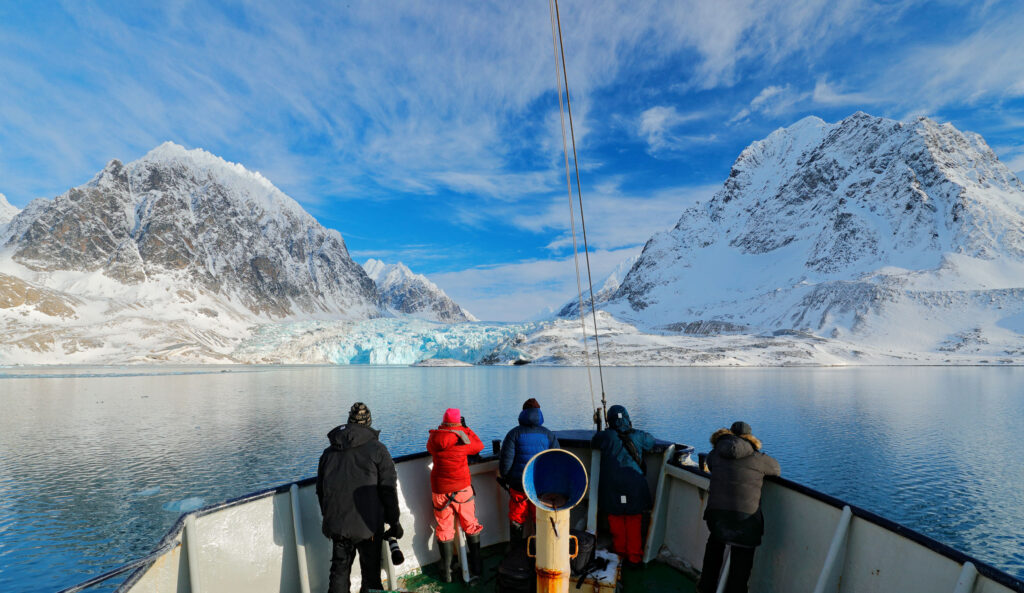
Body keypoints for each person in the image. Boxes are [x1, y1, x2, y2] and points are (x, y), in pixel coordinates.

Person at [316, 402, 402, 593]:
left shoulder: (328, 453)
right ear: (369, 423)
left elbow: (321, 491)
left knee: (339, 573)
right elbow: (388, 490)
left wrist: (328, 518)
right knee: (371, 576)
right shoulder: (378, 450)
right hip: (369, 526)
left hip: (338, 525)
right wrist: (394, 522)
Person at [697, 421, 781, 593]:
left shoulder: (715, 453)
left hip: (716, 516)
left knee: (714, 549)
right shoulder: (759, 459)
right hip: (746, 521)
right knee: (741, 564)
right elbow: (776, 469)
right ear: (750, 438)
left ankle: (705, 588)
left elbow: (710, 464)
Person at [591, 404, 655, 566]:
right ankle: (634, 557)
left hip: (613, 486)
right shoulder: (638, 436)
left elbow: (595, 441)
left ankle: (619, 554)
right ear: (627, 418)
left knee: (616, 518)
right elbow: (651, 442)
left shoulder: (606, 437)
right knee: (633, 519)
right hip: (635, 485)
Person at [427, 407, 485, 582]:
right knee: (470, 525)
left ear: (444, 421)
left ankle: (447, 573)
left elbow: (430, 448)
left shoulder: (434, 437)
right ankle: (476, 567)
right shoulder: (462, 438)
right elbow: (479, 446)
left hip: (440, 490)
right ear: (459, 421)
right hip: (462, 490)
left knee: (444, 528)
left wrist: (445, 429)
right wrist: (465, 429)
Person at [499, 397, 560, 547]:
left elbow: (506, 462)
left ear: (523, 413)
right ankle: (540, 552)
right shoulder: (548, 434)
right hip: (540, 486)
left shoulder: (514, 434)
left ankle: (515, 552)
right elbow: (557, 460)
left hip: (519, 485)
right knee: (539, 518)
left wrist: (507, 479)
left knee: (517, 518)